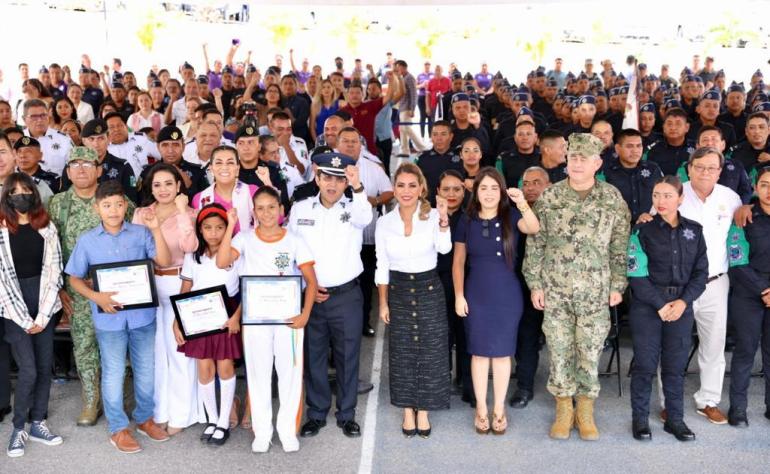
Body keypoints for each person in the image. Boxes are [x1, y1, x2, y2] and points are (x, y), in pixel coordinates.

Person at [523, 133, 630, 441]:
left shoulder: (611, 198)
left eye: (585, 159)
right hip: (555, 290)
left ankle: (584, 409)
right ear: (566, 161)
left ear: (597, 163)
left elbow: (620, 245)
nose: (578, 163)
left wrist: (618, 284)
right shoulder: (550, 197)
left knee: (589, 350)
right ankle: (563, 408)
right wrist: (535, 284)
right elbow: (536, 242)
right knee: (558, 350)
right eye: (573, 158)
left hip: (596, 291)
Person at [64, 180, 171, 453]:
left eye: (118, 204)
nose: (113, 210)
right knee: (113, 372)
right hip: (109, 319)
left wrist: (156, 229)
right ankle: (118, 428)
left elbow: (164, 261)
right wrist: (96, 296)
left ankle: (145, 418)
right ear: (97, 208)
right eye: (107, 205)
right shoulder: (87, 241)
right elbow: (74, 278)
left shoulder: (140, 233)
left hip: (142, 316)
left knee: (145, 368)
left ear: (126, 205)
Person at [218, 187, 318, 452]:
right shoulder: (244, 239)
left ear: (281, 210)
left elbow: (311, 281)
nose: (266, 213)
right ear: (253, 212)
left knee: (290, 374)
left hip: (289, 321)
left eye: (271, 207)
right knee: (259, 375)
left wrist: (305, 315)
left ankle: (287, 430)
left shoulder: (295, 240)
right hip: (256, 321)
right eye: (260, 208)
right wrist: (230, 226)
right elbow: (222, 261)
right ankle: (262, 432)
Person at [47, 146, 135, 426]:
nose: (81, 169)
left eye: (87, 163)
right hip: (77, 291)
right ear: (68, 171)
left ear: (99, 169)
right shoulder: (58, 203)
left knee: (116, 343)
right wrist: (59, 287)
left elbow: (133, 242)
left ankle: (115, 398)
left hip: (114, 287)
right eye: (75, 164)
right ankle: (90, 400)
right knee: (84, 345)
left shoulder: (118, 201)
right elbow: (52, 249)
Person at [655, 147, 741, 425]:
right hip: (676, 285)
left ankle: (708, 400)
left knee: (713, 345)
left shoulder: (731, 198)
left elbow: (742, 228)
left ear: (720, 170)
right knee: (672, 346)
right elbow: (652, 222)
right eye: (699, 166)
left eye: (711, 168)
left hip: (715, 282)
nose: (705, 172)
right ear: (689, 168)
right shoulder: (674, 193)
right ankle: (669, 401)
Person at [453, 167, 539, 435]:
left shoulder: (511, 216)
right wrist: (458, 295)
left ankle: (498, 409)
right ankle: (481, 408)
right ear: (475, 192)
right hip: (476, 293)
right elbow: (458, 262)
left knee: (502, 355)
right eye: (483, 188)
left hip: (507, 294)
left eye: (494, 188)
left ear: (501, 191)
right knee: (479, 354)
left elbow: (534, 227)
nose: (489, 193)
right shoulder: (466, 221)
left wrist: (521, 202)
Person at [290, 152, 371, 439]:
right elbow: (291, 252)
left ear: (345, 181)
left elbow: (366, 217)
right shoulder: (301, 210)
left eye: (339, 179)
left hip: (346, 295)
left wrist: (358, 186)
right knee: (314, 356)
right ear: (317, 178)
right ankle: (316, 413)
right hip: (313, 295)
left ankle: (347, 414)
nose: (333, 185)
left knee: (348, 356)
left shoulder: (355, 208)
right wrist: (306, 285)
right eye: (327, 178)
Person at [627, 176, 707, 442]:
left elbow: (701, 273)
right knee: (645, 365)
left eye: (667, 195)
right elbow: (636, 273)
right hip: (649, 306)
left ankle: (675, 420)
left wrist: (683, 302)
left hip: (681, 305)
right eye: (656, 195)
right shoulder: (642, 231)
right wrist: (660, 305)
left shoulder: (694, 231)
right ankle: (639, 420)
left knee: (674, 366)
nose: (660, 201)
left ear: (681, 198)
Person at [375, 163, 452, 438]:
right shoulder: (384, 223)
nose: (406, 191)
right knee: (402, 352)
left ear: (421, 188)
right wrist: (383, 302)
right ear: (394, 189)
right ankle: (408, 410)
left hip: (429, 288)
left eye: (412, 185)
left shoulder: (432, 217)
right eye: (401, 185)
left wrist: (443, 220)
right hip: (397, 289)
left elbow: (444, 248)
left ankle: (425, 410)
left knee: (431, 351)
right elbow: (381, 265)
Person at [133, 163, 200, 435]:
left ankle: (182, 414)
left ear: (178, 186)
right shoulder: (141, 213)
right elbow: (137, 249)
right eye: (157, 185)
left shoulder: (190, 213)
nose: (163, 189)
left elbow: (190, 247)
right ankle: (160, 411)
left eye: (169, 184)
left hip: (180, 281)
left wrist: (183, 212)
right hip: (149, 283)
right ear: (150, 187)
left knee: (179, 349)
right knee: (156, 351)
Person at [0, 173, 64, 458]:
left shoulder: (46, 226)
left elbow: (54, 271)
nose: (20, 196)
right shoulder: (1, 229)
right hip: (12, 306)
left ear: (34, 194)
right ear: (6, 197)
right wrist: (24, 319)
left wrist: (44, 313)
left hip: (44, 301)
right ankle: (18, 428)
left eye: (26, 190)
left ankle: (38, 422)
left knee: (44, 365)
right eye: (14, 192)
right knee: (28, 369)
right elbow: (1, 280)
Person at [171, 203, 243, 447]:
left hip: (226, 313)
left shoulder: (235, 253)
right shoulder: (194, 257)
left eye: (219, 228)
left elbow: (246, 289)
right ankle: (211, 419)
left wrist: (237, 317)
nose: (213, 233)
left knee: (225, 366)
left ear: (227, 229)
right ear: (199, 230)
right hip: (198, 314)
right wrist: (177, 320)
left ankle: (223, 420)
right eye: (207, 228)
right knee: (204, 368)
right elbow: (186, 288)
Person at [336, 127, 394, 336]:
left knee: (366, 282)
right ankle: (343, 327)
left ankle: (363, 322)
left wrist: (376, 200)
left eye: (354, 141)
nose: (350, 145)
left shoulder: (372, 167)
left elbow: (389, 191)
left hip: (367, 237)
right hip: (339, 238)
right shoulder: (330, 169)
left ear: (361, 145)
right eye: (346, 141)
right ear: (337, 144)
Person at [726, 167, 770, 427]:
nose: (769, 190)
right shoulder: (744, 217)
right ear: (755, 187)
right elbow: (737, 258)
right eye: (764, 184)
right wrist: (764, 290)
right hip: (748, 293)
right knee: (745, 351)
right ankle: (738, 408)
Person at [511, 166, 551, 408]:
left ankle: (565, 392)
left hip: (556, 284)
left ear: (547, 185)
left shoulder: (557, 210)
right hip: (524, 284)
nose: (531, 188)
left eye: (537, 182)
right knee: (526, 336)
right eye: (526, 183)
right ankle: (524, 386)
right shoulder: (514, 212)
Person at [434, 170, 473, 405]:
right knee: (442, 336)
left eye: (457, 189)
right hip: (437, 284)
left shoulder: (472, 216)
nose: (451, 194)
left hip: (467, 283)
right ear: (437, 191)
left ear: (464, 191)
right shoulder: (427, 216)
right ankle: (441, 386)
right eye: (446, 189)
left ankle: (467, 385)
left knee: (466, 335)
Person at [599, 129, 663, 223]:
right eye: (629, 146)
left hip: (647, 227)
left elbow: (664, 197)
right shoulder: (605, 171)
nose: (635, 150)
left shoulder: (653, 169)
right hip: (615, 228)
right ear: (617, 148)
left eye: (639, 146)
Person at [191, 145, 258, 235]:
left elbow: (275, 219)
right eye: (219, 163)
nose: (224, 167)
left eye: (230, 163)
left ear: (237, 168)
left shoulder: (252, 192)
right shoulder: (199, 199)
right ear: (211, 168)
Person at [139, 125, 209, 200]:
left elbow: (204, 204)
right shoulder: (148, 172)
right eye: (165, 145)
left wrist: (189, 188)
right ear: (158, 147)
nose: (170, 150)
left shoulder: (197, 172)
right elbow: (143, 202)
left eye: (176, 145)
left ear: (183, 147)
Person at [22, 99, 72, 176]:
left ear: (48, 116)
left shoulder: (63, 140)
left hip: (55, 186)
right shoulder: (18, 139)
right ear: (24, 119)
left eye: (43, 115)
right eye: (34, 117)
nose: (39, 120)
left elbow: (72, 167)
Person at [395, 60, 426, 157]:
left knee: (406, 128)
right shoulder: (402, 78)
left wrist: (412, 108)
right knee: (402, 129)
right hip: (401, 107)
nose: (397, 69)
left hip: (407, 107)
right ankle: (405, 150)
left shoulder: (410, 78)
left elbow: (413, 94)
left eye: (399, 67)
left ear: (404, 67)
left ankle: (422, 147)